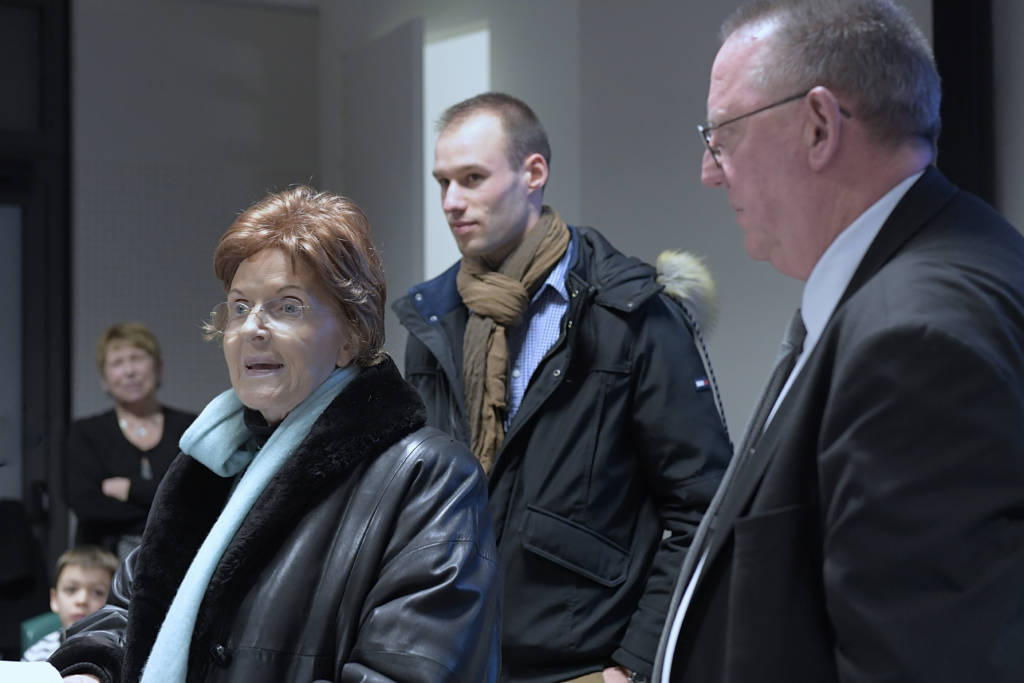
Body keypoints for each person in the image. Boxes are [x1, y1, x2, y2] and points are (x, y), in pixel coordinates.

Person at [654, 1, 1024, 681]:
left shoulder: (913, 340)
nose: (710, 171)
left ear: (819, 126)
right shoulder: (913, 280)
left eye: (723, 136)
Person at [50, 186, 501, 682]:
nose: (253, 328)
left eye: (288, 307)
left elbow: (406, 671)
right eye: (240, 307)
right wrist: (90, 672)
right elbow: (133, 610)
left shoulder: (429, 476)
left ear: (352, 335)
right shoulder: (211, 462)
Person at [393, 92, 732, 683]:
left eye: (472, 178)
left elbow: (702, 504)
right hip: (453, 655)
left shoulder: (630, 312)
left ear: (534, 174)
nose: (451, 202)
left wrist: (635, 664)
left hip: (582, 665)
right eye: (442, 182)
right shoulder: (434, 320)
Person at [65, 323, 197, 558]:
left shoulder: (191, 428)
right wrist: (163, 507)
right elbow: (86, 506)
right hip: (104, 563)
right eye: (117, 363)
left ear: (158, 368)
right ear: (104, 380)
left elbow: (195, 497)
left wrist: (129, 488)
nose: (129, 371)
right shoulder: (86, 432)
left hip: (180, 557)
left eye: (137, 358)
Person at [21, 546, 118, 662]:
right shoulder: (35, 656)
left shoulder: (120, 656)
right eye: (71, 589)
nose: (82, 600)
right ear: (54, 599)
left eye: (98, 592)